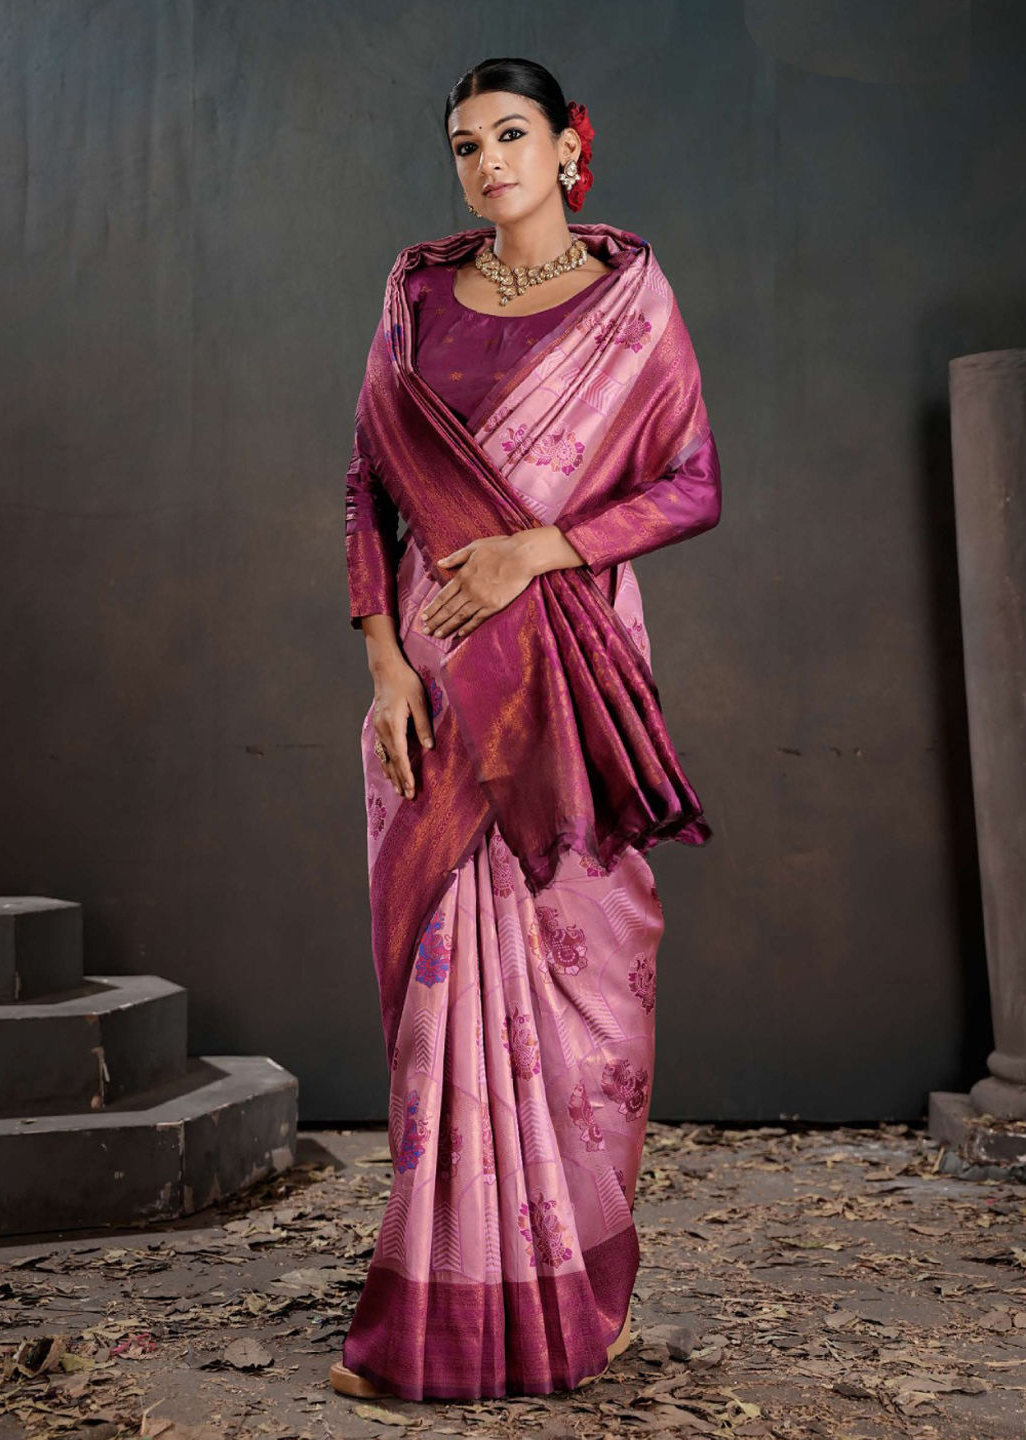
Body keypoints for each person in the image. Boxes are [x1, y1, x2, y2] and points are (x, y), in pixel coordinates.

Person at [333, 56, 722, 1402]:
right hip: (433, 689)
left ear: (568, 146)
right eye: (465, 144)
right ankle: (432, 1321)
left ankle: (564, 1298)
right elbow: (367, 489)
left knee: (585, 976)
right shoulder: (416, 297)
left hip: (565, 676)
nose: (488, 162)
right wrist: (384, 665)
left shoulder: (630, 305)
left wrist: (536, 549)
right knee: (448, 1003)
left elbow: (693, 484)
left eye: (512, 135)